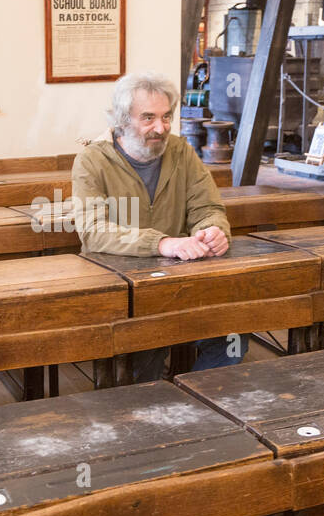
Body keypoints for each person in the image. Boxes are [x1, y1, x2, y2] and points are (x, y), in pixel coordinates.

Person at [71, 71, 243, 382]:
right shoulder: (92, 161)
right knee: (148, 345)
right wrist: (163, 244)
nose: (160, 128)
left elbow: (208, 208)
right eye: (148, 118)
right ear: (124, 120)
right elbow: (93, 231)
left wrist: (213, 230)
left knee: (233, 338)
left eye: (166, 117)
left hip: (177, 281)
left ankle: (193, 402)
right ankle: (150, 410)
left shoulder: (181, 151)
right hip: (119, 286)